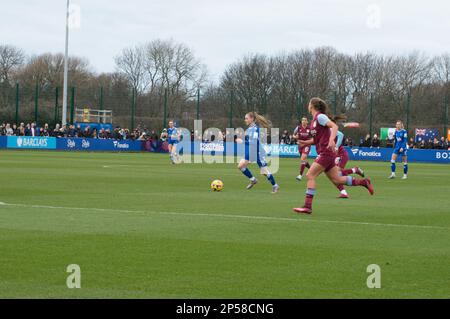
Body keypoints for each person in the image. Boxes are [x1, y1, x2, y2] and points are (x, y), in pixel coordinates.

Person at [294, 98, 374, 215]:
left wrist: (332, 140)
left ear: (312, 106)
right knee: (337, 179)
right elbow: (316, 140)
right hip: (327, 154)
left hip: (326, 153)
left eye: (309, 103)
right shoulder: (313, 122)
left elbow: (334, 127)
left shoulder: (320, 117)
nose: (308, 105)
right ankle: (364, 182)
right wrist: (304, 142)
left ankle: (307, 206)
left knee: (310, 175)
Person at [236, 112, 279, 194]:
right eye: (245, 118)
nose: (245, 120)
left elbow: (254, 142)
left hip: (257, 152)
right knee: (240, 166)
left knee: (264, 171)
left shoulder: (256, 129)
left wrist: (242, 142)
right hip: (250, 151)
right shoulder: (249, 129)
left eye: (246, 118)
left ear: (252, 119)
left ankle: (275, 185)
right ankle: (253, 180)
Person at [293, 117, 312, 181]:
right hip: (300, 145)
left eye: (305, 120)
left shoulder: (310, 128)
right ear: (301, 121)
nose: (304, 121)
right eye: (303, 120)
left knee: (303, 158)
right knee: (304, 161)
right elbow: (293, 135)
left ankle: (300, 175)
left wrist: (309, 141)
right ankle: (312, 169)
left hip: (307, 145)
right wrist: (295, 137)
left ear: (307, 122)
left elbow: (314, 137)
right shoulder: (298, 128)